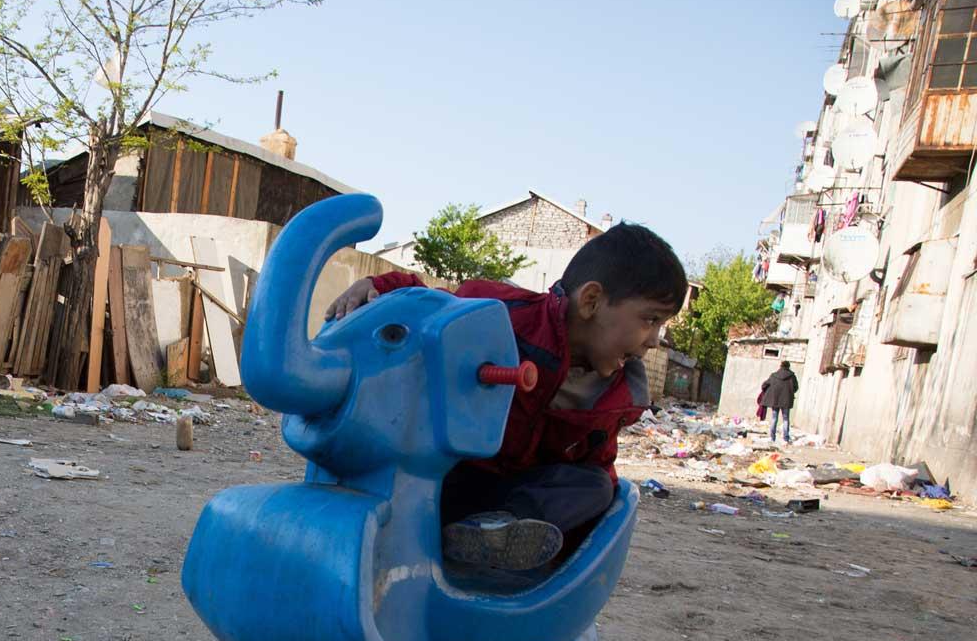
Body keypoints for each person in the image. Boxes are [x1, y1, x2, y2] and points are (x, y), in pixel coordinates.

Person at [325, 224, 687, 571]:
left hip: (512, 504)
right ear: (592, 300)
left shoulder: (616, 395)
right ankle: (475, 535)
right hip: (447, 481)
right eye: (649, 320)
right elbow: (432, 305)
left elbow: (594, 465)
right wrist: (376, 284)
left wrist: (568, 540)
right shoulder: (509, 316)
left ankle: (496, 536)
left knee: (595, 485)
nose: (655, 340)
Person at [758, 360, 798, 444]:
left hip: (775, 400)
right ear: (788, 367)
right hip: (786, 401)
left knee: (774, 418)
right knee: (786, 419)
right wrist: (789, 393)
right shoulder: (792, 376)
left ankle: (772, 437)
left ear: (780, 366)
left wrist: (766, 390)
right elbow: (796, 387)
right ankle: (786, 438)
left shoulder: (774, 375)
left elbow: (764, 384)